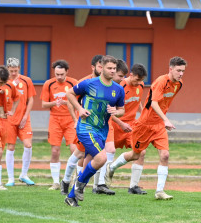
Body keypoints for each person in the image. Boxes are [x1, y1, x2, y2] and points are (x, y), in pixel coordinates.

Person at [106, 57, 186, 201]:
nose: (181, 74)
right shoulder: (160, 82)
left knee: (165, 155)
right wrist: (165, 119)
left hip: (158, 126)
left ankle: (159, 191)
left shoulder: (179, 84)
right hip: (143, 125)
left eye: (183, 71)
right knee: (136, 155)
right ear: (171, 69)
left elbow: (154, 103)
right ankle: (111, 168)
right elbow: (154, 103)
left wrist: (162, 120)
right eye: (178, 70)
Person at [63, 55, 125, 207]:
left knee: (89, 163)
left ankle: (71, 197)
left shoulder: (118, 89)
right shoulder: (89, 83)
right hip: (86, 127)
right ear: (101, 68)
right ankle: (79, 184)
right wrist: (80, 109)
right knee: (102, 158)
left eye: (114, 69)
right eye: (109, 68)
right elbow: (69, 93)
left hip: (102, 130)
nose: (112, 71)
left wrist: (116, 112)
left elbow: (122, 109)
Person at [60, 54, 103, 194]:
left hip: (100, 126)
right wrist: (75, 120)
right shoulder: (85, 82)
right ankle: (68, 182)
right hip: (85, 125)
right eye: (100, 66)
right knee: (79, 154)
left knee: (91, 154)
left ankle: (84, 185)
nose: (103, 69)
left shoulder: (106, 83)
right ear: (93, 67)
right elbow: (70, 100)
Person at [106, 63, 148, 194]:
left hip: (132, 125)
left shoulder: (140, 85)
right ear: (131, 75)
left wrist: (143, 115)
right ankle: (99, 185)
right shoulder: (120, 86)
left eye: (141, 80)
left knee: (141, 152)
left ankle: (133, 186)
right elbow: (109, 110)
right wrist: (121, 124)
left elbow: (137, 100)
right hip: (116, 124)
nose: (138, 83)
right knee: (106, 153)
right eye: (137, 79)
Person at [92, 58, 129, 194]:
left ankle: (100, 184)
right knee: (82, 155)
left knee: (109, 150)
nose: (121, 78)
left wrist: (118, 114)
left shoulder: (118, 88)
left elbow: (119, 109)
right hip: (92, 123)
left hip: (107, 123)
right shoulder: (93, 84)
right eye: (119, 75)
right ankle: (69, 181)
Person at [40, 60, 78, 190]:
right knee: (55, 151)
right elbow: (44, 104)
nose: (59, 77)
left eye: (62, 74)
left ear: (67, 72)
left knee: (75, 149)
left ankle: (74, 179)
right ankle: (56, 182)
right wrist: (55, 103)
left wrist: (68, 103)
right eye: (57, 74)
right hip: (55, 120)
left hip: (70, 119)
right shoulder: (48, 84)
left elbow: (79, 100)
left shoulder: (74, 83)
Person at [4, 57, 36, 186]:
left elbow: (31, 100)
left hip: (24, 118)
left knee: (28, 145)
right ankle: (10, 178)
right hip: (9, 120)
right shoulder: (4, 81)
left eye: (15, 71)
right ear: (7, 69)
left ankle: (23, 175)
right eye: (11, 70)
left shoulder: (26, 80)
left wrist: (25, 116)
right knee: (10, 147)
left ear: (19, 69)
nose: (13, 73)